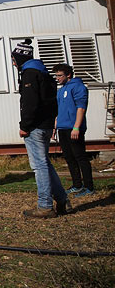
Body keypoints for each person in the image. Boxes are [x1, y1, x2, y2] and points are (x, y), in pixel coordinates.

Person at [12, 39, 71, 218]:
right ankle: (62, 200)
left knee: (39, 166)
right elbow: (52, 103)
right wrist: (51, 123)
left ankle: (45, 206)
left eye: (14, 59)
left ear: (21, 58)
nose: (13, 62)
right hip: (45, 125)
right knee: (45, 164)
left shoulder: (29, 74)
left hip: (35, 127)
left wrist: (25, 126)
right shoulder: (44, 74)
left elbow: (30, 104)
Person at [52, 63, 94, 197]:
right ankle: (77, 185)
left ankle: (89, 187)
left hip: (73, 128)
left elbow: (81, 108)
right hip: (62, 128)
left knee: (80, 156)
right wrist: (55, 127)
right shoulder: (61, 90)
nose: (57, 78)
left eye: (59, 75)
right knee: (69, 157)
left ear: (68, 75)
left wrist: (76, 127)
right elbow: (58, 110)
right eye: (56, 75)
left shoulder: (79, 87)